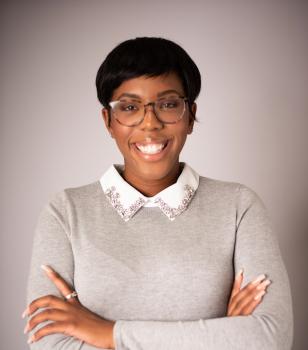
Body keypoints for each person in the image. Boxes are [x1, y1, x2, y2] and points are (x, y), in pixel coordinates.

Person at [23, 37, 293, 349]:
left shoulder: (239, 207)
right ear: (108, 122)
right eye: (129, 107)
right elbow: (49, 345)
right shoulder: (65, 213)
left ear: (190, 116)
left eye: (167, 104)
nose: (150, 124)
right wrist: (222, 334)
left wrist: (107, 333)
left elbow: (270, 340)